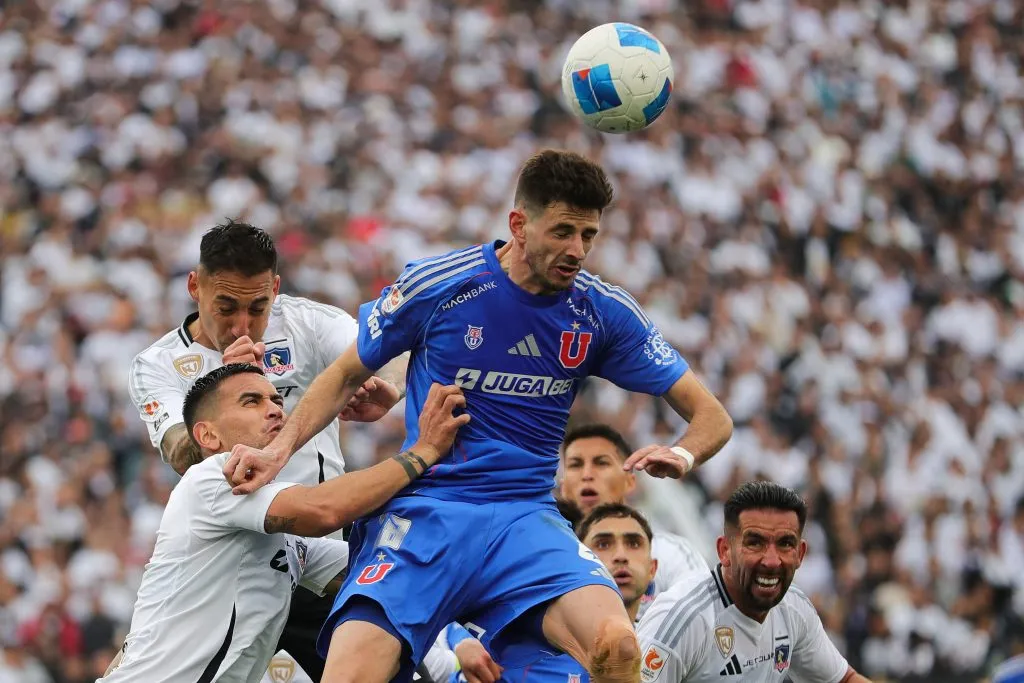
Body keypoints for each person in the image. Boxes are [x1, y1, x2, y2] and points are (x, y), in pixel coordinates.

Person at [226, 149, 734, 683]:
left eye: (589, 235)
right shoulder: (441, 284)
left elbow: (712, 416)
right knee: (350, 675)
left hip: (525, 517)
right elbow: (346, 373)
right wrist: (277, 451)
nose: (577, 250)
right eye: (563, 231)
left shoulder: (601, 311)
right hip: (427, 511)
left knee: (617, 646)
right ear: (519, 224)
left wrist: (683, 453)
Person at [127, 220, 406, 679]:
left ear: (275, 288)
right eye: (226, 307)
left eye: (258, 307)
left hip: (318, 558)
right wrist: (225, 387)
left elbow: (393, 350)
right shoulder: (158, 364)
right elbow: (181, 453)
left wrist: (389, 388)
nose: (242, 324)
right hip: (232, 566)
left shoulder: (307, 323)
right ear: (195, 287)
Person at [101, 364, 469, 682]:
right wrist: (423, 451)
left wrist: (458, 631)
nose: (275, 410)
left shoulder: (291, 545)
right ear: (208, 435)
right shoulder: (211, 478)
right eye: (252, 401)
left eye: (277, 400)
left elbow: (384, 568)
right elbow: (325, 511)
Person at [635, 481, 872, 682]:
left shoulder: (794, 608)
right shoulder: (683, 618)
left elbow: (845, 679)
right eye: (755, 543)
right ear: (724, 551)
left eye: (785, 544)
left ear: (800, 554)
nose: (771, 561)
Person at [442, 503, 659, 683]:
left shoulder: (659, 650)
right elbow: (466, 605)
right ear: (579, 561)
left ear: (653, 569)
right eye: (603, 544)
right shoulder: (534, 629)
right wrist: (464, 641)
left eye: (633, 543)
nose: (620, 556)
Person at [559, 424, 710, 599]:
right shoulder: (546, 554)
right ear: (562, 486)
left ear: (630, 482)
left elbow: (701, 611)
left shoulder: (671, 554)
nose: (587, 474)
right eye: (575, 465)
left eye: (601, 463)